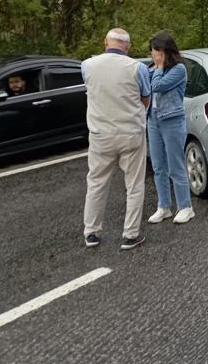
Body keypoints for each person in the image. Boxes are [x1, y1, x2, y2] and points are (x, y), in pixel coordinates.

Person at [81, 28, 151, 250]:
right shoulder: (137, 68)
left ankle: (91, 232)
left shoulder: (87, 65)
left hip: (100, 133)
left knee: (96, 183)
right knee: (134, 185)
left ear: (105, 43)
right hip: (130, 132)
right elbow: (145, 98)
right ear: (128, 47)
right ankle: (130, 234)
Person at [147, 31, 195, 225]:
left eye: (156, 51)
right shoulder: (152, 69)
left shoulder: (179, 70)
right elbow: (144, 86)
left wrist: (158, 68)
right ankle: (164, 206)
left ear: (166, 52)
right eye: (152, 51)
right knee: (158, 166)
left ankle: (185, 207)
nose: (153, 55)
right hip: (154, 120)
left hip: (172, 121)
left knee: (175, 165)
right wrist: (155, 68)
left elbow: (157, 86)